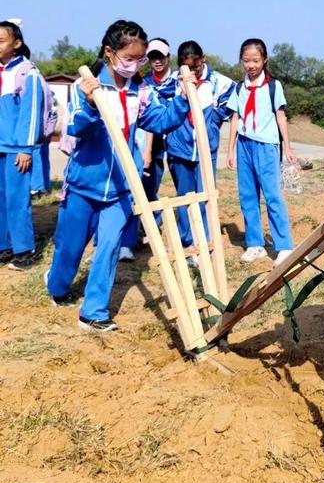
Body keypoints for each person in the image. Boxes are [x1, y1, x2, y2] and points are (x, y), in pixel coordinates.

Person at [44, 19, 191, 331]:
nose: (135, 65)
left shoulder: (141, 90)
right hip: (84, 184)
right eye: (129, 58)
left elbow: (160, 121)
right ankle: (56, 284)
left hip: (123, 187)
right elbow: (77, 128)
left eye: (140, 59)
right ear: (110, 53)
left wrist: (181, 101)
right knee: (69, 249)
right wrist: (90, 103)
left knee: (109, 247)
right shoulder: (85, 86)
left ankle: (93, 312)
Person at [226, 38, 296, 266]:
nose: (251, 65)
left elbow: (281, 116)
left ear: (264, 60)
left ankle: (284, 245)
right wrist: (230, 150)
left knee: (272, 194)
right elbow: (235, 118)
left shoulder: (273, 86)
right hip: (244, 144)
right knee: (247, 195)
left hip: (267, 146)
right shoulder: (239, 88)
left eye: (255, 60)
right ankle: (255, 243)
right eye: (246, 61)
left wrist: (287, 146)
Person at [165, 40, 234, 262]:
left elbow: (231, 101)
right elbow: (158, 101)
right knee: (185, 198)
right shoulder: (173, 82)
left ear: (202, 59)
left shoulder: (219, 82)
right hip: (179, 150)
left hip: (206, 150)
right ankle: (187, 245)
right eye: (187, 67)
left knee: (205, 196)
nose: (192, 70)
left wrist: (213, 118)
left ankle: (204, 242)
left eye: (195, 66)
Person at [0, 20, 45, 271]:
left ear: (16, 44)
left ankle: (24, 250)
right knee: (1, 199)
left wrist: (26, 148)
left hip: (16, 148)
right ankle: (4, 246)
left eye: (1, 41)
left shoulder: (27, 73)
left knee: (18, 200)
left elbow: (30, 113)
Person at [141, 38, 177, 227]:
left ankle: (187, 228)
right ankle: (150, 223)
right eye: (153, 57)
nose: (157, 61)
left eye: (161, 56)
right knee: (148, 181)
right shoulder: (144, 83)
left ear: (168, 57)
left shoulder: (178, 81)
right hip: (151, 141)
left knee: (183, 184)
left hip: (176, 140)